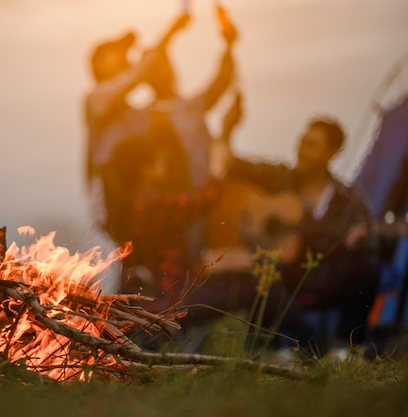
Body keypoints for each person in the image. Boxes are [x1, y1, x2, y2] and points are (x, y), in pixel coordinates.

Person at [180, 102, 380, 355]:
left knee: (368, 264)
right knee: (257, 278)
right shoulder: (281, 178)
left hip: (325, 281)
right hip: (281, 278)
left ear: (332, 152)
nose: (302, 150)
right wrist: (228, 128)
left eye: (312, 145)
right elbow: (230, 163)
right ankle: (292, 349)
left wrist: (357, 239)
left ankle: (348, 345)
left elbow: (367, 236)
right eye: (302, 141)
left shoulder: (348, 199)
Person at [84, 11, 239, 309]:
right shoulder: (103, 102)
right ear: (100, 65)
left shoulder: (142, 115)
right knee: (150, 277)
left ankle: (141, 331)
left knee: (157, 277)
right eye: (118, 54)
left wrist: (229, 47)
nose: (131, 61)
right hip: (130, 213)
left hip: (166, 212)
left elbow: (217, 86)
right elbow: (143, 72)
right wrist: (172, 31)